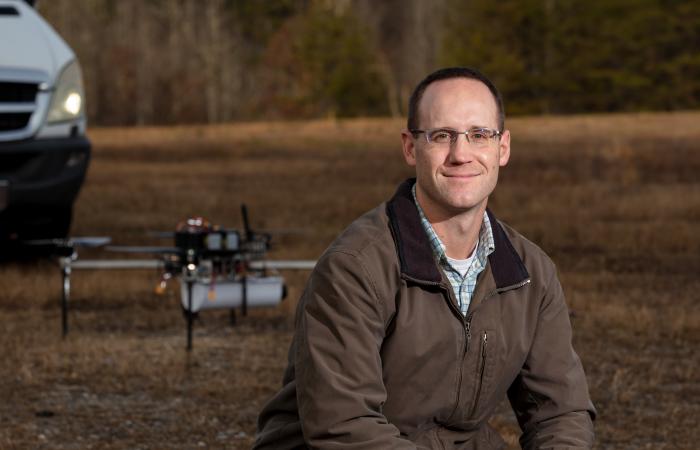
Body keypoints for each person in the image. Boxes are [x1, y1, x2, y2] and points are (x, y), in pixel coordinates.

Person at [254, 67, 596, 449]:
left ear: (503, 149)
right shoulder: (355, 267)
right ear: (409, 147)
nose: (460, 154)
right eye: (441, 136)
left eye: (479, 135)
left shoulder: (531, 273)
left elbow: (561, 413)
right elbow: (344, 425)